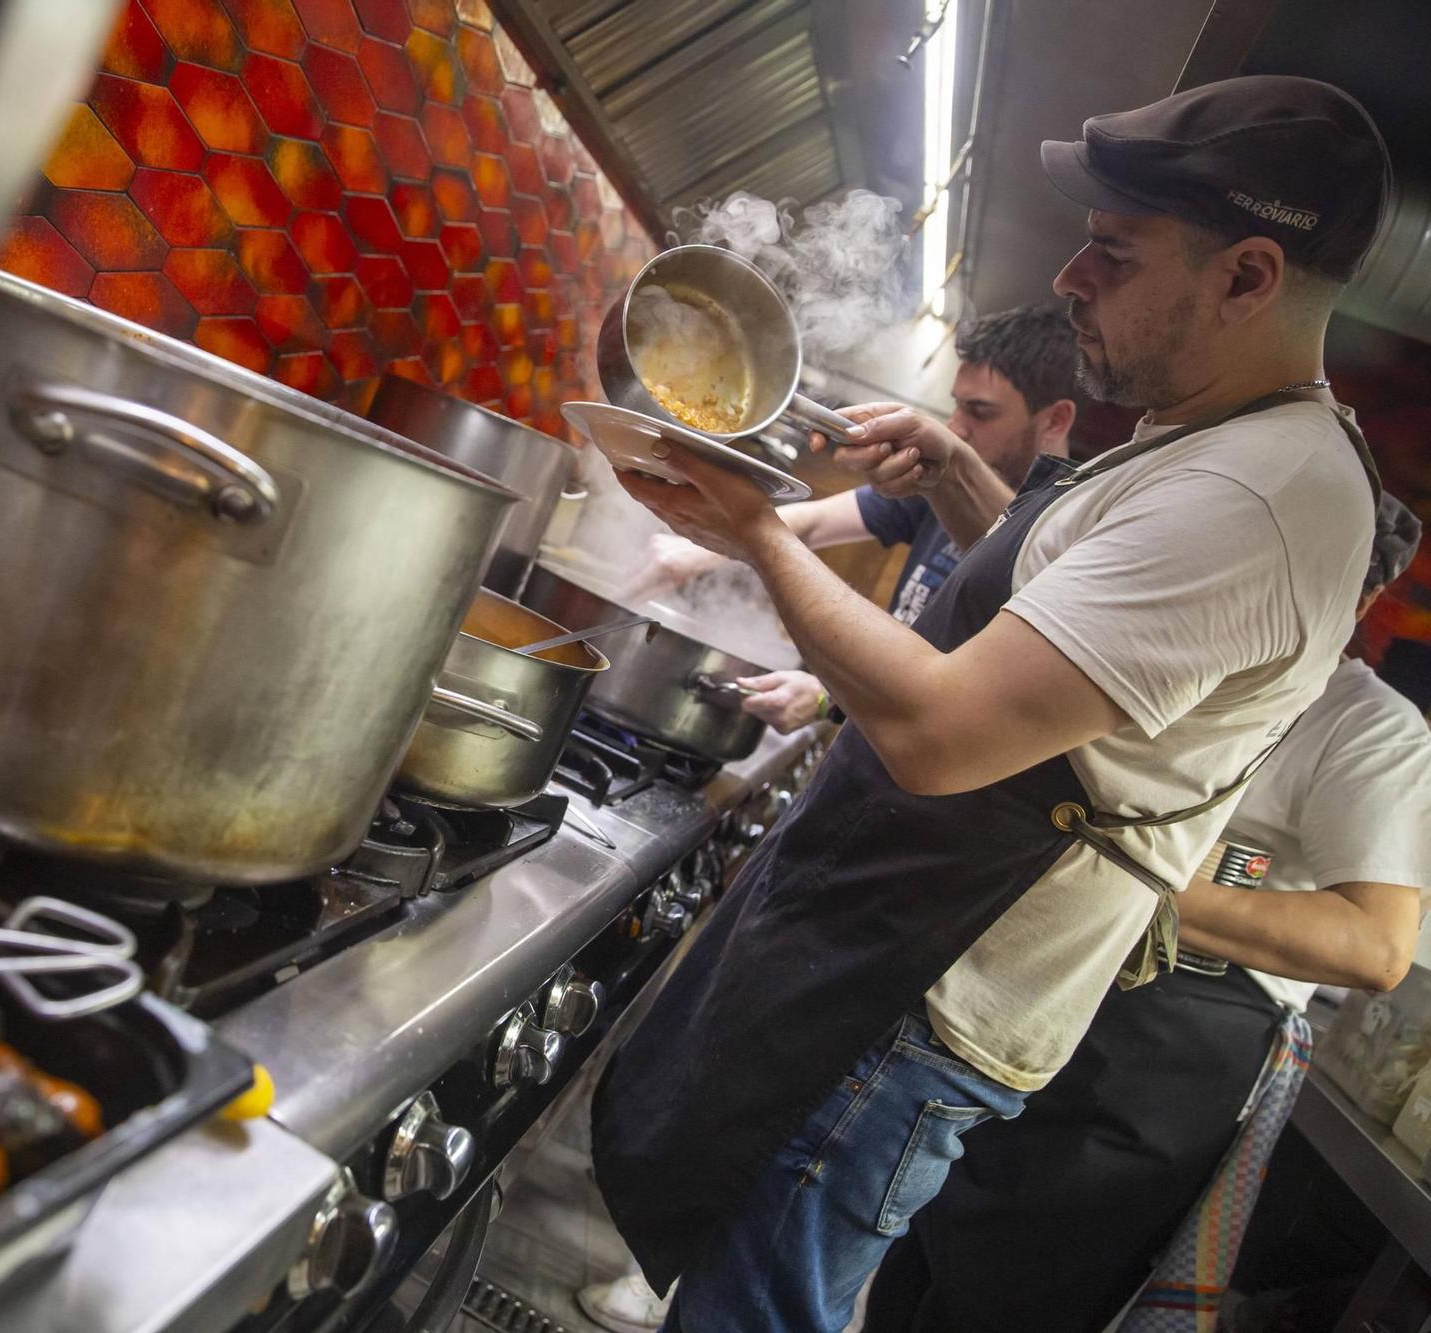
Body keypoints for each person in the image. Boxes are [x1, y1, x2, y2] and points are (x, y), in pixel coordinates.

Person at [587, 74, 1391, 1333]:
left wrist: (752, 527)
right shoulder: (1208, 443)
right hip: (889, 956)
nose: (1070, 278)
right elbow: (1060, 635)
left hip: (919, 992)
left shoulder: (1261, 495)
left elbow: (944, 729)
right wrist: (965, 476)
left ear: (1244, 277)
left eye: (1112, 252)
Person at [863, 497, 1431, 1333]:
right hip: (1054, 977)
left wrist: (1137, 882)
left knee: (1010, 1296)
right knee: (923, 1251)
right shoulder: (1191, 654)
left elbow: (1376, 944)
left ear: (1359, 599)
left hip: (1174, 1041)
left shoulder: (1370, 729)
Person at [618, 306, 1081, 735]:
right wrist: (696, 552)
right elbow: (815, 522)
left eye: (980, 412)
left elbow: (978, 707)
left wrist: (827, 700)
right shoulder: (938, 488)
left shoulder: (1068, 536)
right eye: (957, 405)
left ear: (1055, 420)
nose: (956, 428)